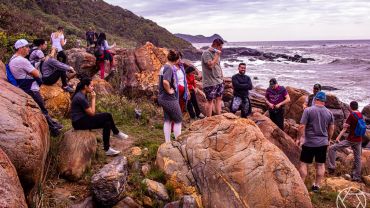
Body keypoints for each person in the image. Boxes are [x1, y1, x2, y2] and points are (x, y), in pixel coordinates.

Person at [9, 39, 63, 136]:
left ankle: (53, 123)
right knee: (42, 108)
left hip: (23, 86)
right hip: (30, 88)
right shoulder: (22, 60)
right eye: (27, 47)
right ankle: (53, 130)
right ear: (21, 48)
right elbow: (36, 73)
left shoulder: (13, 58)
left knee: (41, 107)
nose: (29, 49)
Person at [71, 78, 129, 156]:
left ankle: (107, 149)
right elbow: (92, 113)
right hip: (79, 122)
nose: (93, 88)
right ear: (85, 86)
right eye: (91, 86)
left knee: (107, 123)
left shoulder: (82, 94)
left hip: (82, 119)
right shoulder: (80, 97)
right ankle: (116, 132)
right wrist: (93, 98)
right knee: (107, 115)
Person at [296, 91, 335, 192]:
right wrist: (329, 139)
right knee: (320, 164)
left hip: (309, 142)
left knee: (304, 163)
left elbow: (301, 126)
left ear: (315, 99)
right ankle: (316, 186)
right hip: (322, 143)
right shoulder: (329, 113)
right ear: (324, 101)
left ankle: (302, 186)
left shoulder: (308, 110)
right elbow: (331, 128)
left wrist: (300, 138)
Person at [328, 101, 364, 181]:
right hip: (359, 139)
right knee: (358, 158)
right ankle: (357, 177)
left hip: (351, 140)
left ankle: (331, 167)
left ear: (350, 107)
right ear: (357, 107)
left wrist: (337, 138)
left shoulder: (351, 115)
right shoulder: (361, 115)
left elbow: (344, 128)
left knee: (332, 148)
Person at [158, 50, 182, 143]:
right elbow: (165, 82)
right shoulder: (169, 68)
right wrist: (169, 90)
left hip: (162, 97)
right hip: (168, 98)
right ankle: (178, 142)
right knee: (178, 119)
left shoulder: (164, 66)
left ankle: (167, 142)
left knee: (167, 119)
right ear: (176, 60)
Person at [201, 38, 224, 117]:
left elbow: (218, 66)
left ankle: (219, 117)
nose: (221, 48)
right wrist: (217, 55)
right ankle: (209, 119)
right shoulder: (206, 53)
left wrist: (222, 77)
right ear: (215, 45)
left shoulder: (216, 53)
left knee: (219, 99)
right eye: (220, 47)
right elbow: (211, 65)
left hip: (219, 81)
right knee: (210, 101)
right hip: (210, 82)